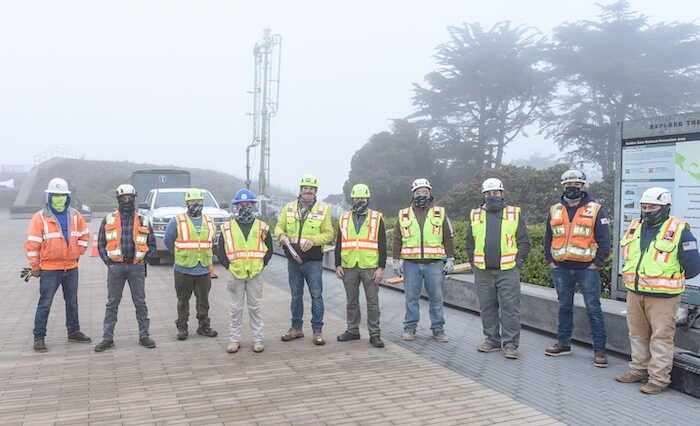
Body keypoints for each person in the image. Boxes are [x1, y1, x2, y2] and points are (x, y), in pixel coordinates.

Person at [615, 187, 700, 394]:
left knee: (661, 338)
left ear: (665, 208)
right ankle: (638, 370)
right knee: (637, 335)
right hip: (635, 292)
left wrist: (669, 277)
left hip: (663, 296)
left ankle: (658, 380)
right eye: (644, 207)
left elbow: (693, 266)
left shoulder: (680, 230)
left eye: (652, 207)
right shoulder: (635, 226)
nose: (647, 211)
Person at [543, 169, 610, 367]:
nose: (572, 188)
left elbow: (605, 240)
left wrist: (595, 263)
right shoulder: (555, 209)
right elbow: (549, 237)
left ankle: (599, 350)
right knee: (564, 307)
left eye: (576, 185)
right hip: (561, 268)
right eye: (568, 185)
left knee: (594, 309)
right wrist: (551, 261)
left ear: (583, 186)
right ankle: (563, 343)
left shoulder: (595, 209)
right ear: (563, 187)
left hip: (586, 269)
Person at [466, 178, 531, 359]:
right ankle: (492, 340)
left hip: (508, 271)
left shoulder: (514, 213)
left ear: (502, 194)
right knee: (487, 307)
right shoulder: (475, 214)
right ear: (483, 195)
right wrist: (473, 263)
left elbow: (525, 242)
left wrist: (517, 263)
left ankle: (510, 344)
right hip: (483, 271)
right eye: (488, 193)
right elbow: (469, 242)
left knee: (510, 308)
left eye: (495, 193)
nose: (491, 196)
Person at [25, 177, 91, 352]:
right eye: (56, 195)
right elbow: (32, 245)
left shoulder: (75, 215)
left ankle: (74, 331)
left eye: (62, 194)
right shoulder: (39, 218)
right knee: (45, 303)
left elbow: (85, 235)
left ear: (67, 196)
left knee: (72, 302)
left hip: (71, 267)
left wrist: (78, 253)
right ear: (48, 196)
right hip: (49, 269)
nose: (59, 198)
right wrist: (35, 267)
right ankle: (39, 337)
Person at [94, 184, 157, 352]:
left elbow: (152, 244)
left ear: (134, 199)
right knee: (112, 303)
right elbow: (101, 243)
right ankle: (107, 338)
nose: (127, 201)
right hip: (116, 268)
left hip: (136, 268)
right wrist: (109, 262)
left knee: (140, 303)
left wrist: (144, 260)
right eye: (123, 198)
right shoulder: (109, 219)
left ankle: (144, 336)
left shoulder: (143, 220)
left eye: (130, 198)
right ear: (118, 199)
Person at [392, 178, 455, 342]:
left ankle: (438, 329)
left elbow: (448, 237)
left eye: (425, 192)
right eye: (418, 192)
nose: (422, 195)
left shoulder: (440, 212)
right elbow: (396, 238)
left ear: (430, 193)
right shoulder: (403, 214)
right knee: (411, 298)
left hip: (434, 264)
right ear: (413, 194)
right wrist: (396, 260)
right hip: (411, 265)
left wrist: (451, 259)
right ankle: (410, 328)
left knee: (437, 298)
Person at [274, 174, 334, 345]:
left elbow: (329, 233)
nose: (308, 193)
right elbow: (279, 226)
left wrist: (314, 240)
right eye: (305, 190)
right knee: (296, 296)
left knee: (316, 296)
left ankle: (317, 331)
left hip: (313, 261)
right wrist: (281, 235)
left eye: (311, 190)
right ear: (300, 191)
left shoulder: (323, 210)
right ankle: (296, 328)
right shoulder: (289, 208)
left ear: (315, 192)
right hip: (293, 261)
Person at [216, 188, 273, 354]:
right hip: (236, 273)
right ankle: (234, 340)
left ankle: (258, 339)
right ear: (236, 206)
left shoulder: (262, 227)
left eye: (248, 204)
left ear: (253, 205)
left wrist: (263, 263)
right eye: (241, 204)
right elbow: (220, 249)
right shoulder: (227, 228)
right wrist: (227, 265)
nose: (245, 206)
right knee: (236, 308)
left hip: (255, 273)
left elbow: (268, 249)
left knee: (255, 307)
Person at [334, 184, 387, 348]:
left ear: (368, 199)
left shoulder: (377, 218)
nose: (360, 201)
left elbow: (382, 244)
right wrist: (338, 264)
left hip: (370, 266)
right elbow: (339, 243)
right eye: (357, 199)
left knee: (372, 302)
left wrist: (381, 267)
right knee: (351, 301)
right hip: (349, 265)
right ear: (352, 199)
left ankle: (375, 334)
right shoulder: (344, 218)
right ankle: (352, 330)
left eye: (363, 198)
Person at [164, 188, 218, 340]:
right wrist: (180, 254)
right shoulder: (177, 220)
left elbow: (212, 240)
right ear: (187, 203)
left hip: (203, 269)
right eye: (193, 202)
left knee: (204, 301)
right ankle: (182, 327)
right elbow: (168, 240)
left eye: (199, 201)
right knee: (183, 300)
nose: (196, 204)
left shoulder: (209, 221)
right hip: (184, 268)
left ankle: (204, 326)